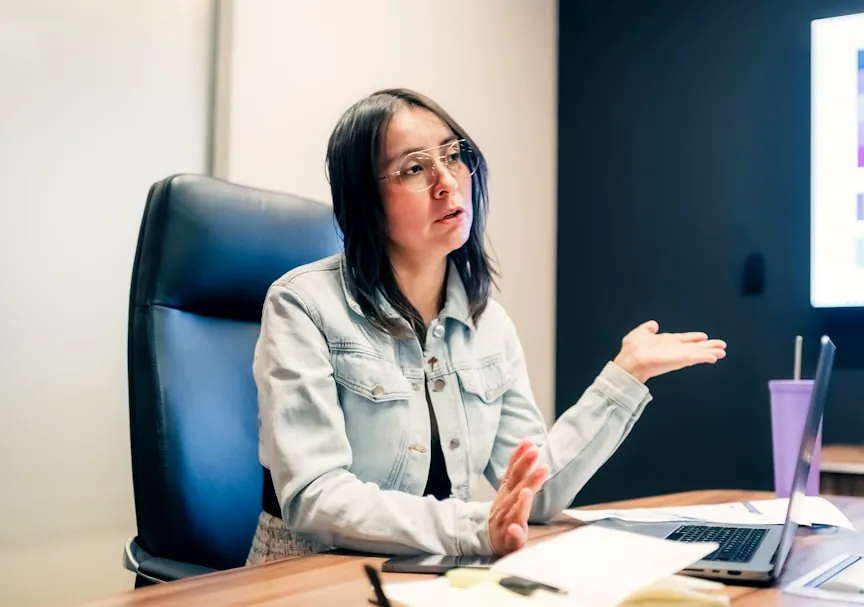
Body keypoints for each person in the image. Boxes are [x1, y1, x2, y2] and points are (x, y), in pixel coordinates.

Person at [246, 88, 727, 565]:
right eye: (414, 168)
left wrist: (626, 375)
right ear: (364, 200)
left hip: (426, 574)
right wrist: (474, 526)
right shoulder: (302, 305)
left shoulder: (488, 324)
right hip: (305, 574)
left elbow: (535, 495)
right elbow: (316, 496)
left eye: (453, 156)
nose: (447, 182)